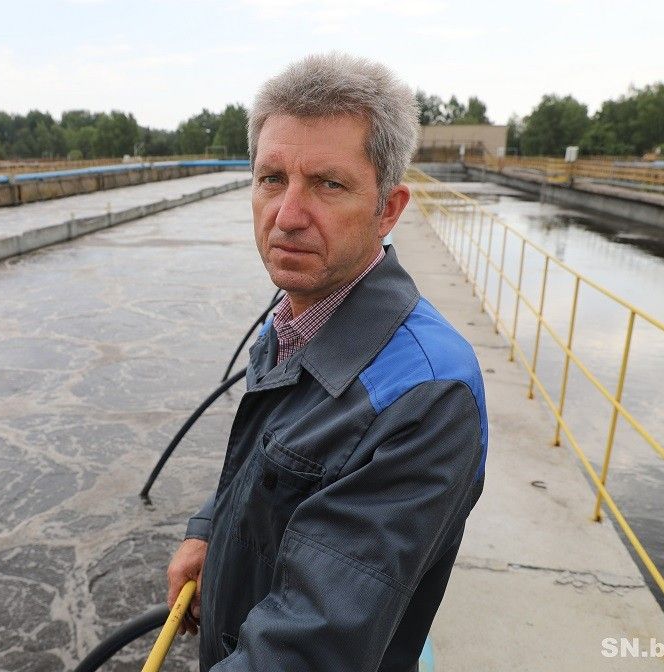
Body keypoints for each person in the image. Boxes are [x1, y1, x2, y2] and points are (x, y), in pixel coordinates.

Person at [165, 53, 487, 671]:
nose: (287, 217)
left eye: (328, 185)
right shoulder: (294, 317)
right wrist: (207, 530)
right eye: (271, 179)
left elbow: (308, 651)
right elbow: (267, 461)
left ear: (388, 208)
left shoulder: (427, 397)